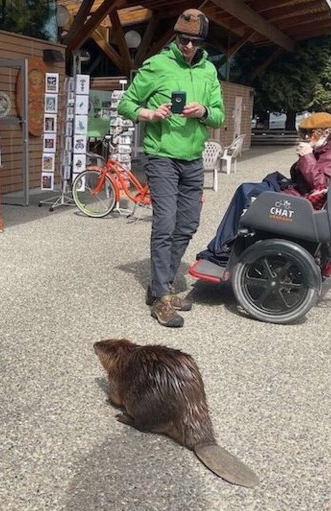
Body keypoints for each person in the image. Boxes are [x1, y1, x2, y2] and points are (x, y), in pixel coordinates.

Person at [117, 8, 224, 328]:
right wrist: (148, 114)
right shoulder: (157, 65)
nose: (187, 46)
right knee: (165, 222)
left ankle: (159, 283)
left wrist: (203, 110)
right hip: (161, 155)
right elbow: (127, 104)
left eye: (193, 41)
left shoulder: (208, 71)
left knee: (188, 223)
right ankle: (162, 295)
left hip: (192, 157)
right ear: (175, 38)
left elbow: (219, 115)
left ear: (202, 43)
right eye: (182, 39)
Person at [196, 112, 331, 266]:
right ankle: (224, 243)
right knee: (247, 189)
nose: (306, 137)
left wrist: (307, 157)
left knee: (246, 191)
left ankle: (220, 247)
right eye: (303, 133)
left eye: (310, 133)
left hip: (300, 202)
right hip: (297, 193)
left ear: (326, 132)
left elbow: (320, 186)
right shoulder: (328, 149)